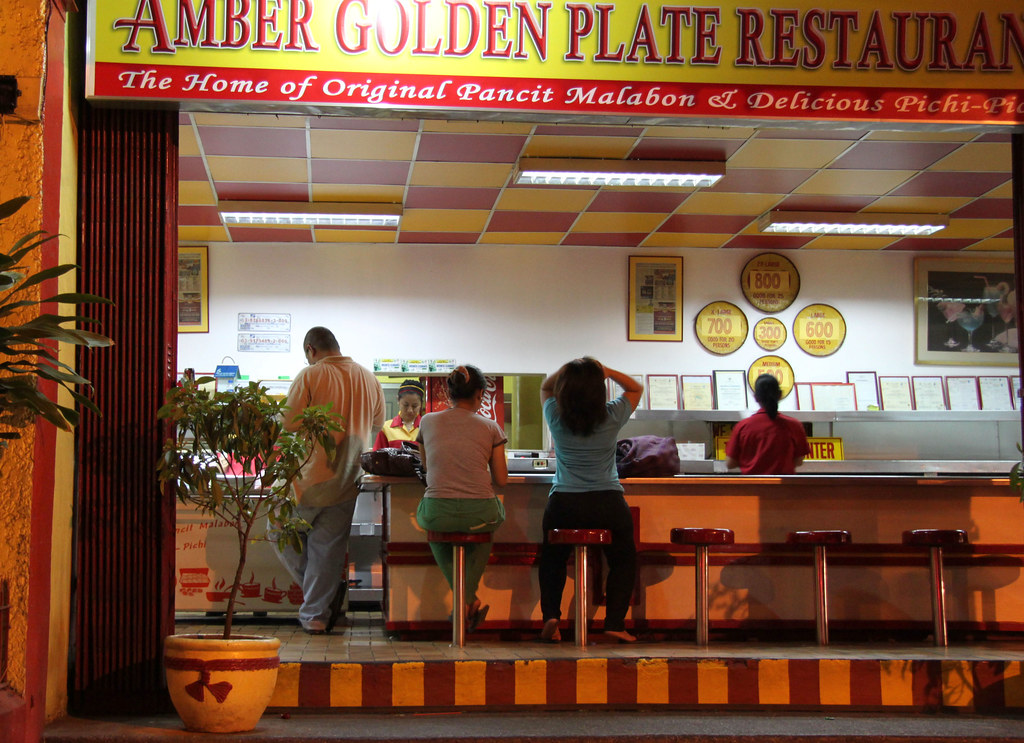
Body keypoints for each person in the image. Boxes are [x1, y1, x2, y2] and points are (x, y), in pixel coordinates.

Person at [273, 326, 385, 634]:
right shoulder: (368, 377)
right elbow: (376, 424)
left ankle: (323, 600)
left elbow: (289, 423)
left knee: (277, 530)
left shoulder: (310, 376)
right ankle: (316, 615)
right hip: (349, 480)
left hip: (307, 481)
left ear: (311, 350)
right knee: (327, 551)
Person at [538, 357, 643, 644]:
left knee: (552, 560)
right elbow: (635, 388)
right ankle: (615, 623)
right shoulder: (611, 415)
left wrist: (569, 370)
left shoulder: (556, 416)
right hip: (607, 501)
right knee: (623, 560)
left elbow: (545, 387)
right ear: (601, 390)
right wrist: (605, 371)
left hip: (564, 502)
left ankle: (551, 616)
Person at [416, 365, 507, 632]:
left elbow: (425, 466)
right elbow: (501, 479)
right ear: (480, 393)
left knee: (432, 523)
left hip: (437, 511)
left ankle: (465, 603)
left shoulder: (427, 421)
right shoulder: (491, 427)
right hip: (480, 513)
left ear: (449, 392)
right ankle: (467, 601)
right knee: (488, 521)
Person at [725, 374, 810, 475]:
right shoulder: (794, 425)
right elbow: (799, 461)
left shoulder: (743, 426)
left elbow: (730, 463)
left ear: (756, 398)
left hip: (751, 488)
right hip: (784, 488)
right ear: (780, 395)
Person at [373, 379, 425, 450]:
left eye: (414, 406)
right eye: (406, 405)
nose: (410, 410)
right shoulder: (386, 428)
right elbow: (378, 457)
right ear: (398, 400)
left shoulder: (426, 428)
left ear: (421, 403)